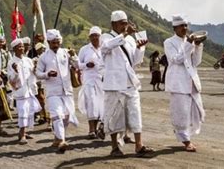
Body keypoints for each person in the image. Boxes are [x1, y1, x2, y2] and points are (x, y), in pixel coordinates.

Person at [99, 10, 153, 158]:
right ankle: (115, 147)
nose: (125, 26)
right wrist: (124, 35)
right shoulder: (105, 37)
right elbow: (106, 47)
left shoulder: (129, 40)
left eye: (126, 23)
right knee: (114, 115)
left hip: (129, 82)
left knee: (135, 113)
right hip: (114, 84)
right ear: (113, 24)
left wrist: (140, 47)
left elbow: (135, 61)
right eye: (122, 23)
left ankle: (139, 145)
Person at [164, 14, 205, 152]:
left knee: (196, 111)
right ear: (175, 28)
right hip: (178, 82)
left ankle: (184, 135)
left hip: (191, 81)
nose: (185, 28)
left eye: (186, 25)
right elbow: (176, 59)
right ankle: (186, 141)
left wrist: (197, 46)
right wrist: (188, 44)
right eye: (182, 26)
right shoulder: (168, 42)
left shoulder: (190, 42)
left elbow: (196, 62)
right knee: (181, 112)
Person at [36, 29, 79, 153]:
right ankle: (62, 141)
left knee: (66, 116)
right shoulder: (44, 57)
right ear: (48, 42)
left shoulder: (66, 53)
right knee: (57, 115)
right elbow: (38, 73)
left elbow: (77, 65)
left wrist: (74, 55)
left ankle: (57, 138)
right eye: (53, 42)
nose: (56, 44)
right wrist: (47, 74)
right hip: (52, 91)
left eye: (58, 42)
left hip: (67, 90)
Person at [8, 38, 41, 144]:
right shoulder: (12, 62)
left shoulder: (28, 60)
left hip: (29, 90)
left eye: (23, 46)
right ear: (14, 49)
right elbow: (11, 79)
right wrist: (16, 72)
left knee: (29, 112)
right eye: (19, 47)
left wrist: (35, 68)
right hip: (20, 91)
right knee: (22, 112)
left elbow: (34, 74)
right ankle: (22, 134)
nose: (22, 48)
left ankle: (24, 132)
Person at [77, 26, 105, 139]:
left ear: (100, 36)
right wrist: (86, 65)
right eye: (92, 36)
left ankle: (99, 128)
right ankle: (91, 130)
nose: (94, 38)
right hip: (89, 79)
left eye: (96, 36)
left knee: (100, 105)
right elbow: (77, 64)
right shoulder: (84, 49)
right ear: (89, 37)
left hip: (102, 80)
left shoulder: (104, 48)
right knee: (91, 103)